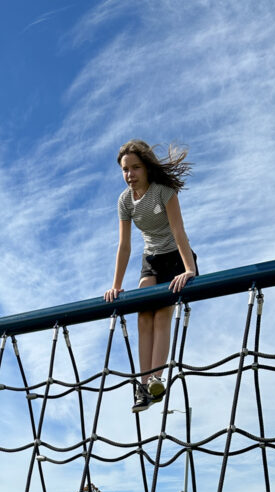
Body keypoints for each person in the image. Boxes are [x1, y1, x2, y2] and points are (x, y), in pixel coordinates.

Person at [104, 140, 197, 413]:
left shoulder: (163, 192)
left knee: (162, 314)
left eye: (135, 168)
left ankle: (157, 379)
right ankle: (143, 387)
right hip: (152, 260)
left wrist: (188, 269)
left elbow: (179, 232)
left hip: (176, 258)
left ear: (146, 168)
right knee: (143, 313)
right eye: (125, 170)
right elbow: (124, 245)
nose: (130, 174)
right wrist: (116, 286)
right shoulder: (124, 201)